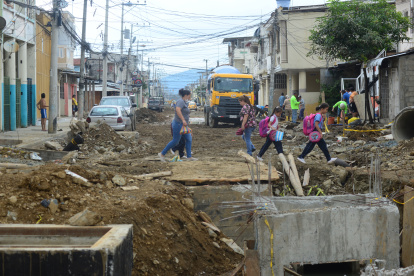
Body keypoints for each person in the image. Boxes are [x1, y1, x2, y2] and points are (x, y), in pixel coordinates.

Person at [159, 89, 197, 162]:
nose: (190, 97)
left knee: (189, 139)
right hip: (178, 124)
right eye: (189, 95)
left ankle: (189, 157)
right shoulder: (180, 102)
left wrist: (186, 125)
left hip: (183, 125)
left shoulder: (184, 102)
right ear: (186, 95)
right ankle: (162, 154)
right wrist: (183, 120)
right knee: (176, 141)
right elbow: (177, 110)